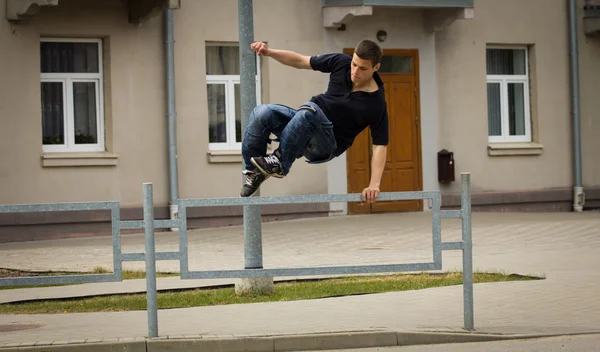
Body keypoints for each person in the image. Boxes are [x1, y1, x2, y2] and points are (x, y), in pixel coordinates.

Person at [240, 39, 389, 204]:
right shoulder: (341, 62)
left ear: (376, 68)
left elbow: (380, 145)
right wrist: (269, 52)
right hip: (303, 126)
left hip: (325, 145)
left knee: (310, 111)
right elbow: (301, 61)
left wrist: (374, 185)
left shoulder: (376, 103)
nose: (355, 71)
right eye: (354, 64)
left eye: (363, 68)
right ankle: (253, 172)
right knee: (261, 112)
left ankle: (279, 162)